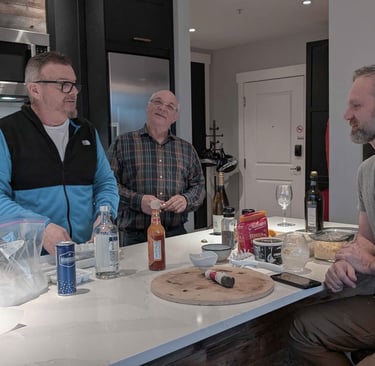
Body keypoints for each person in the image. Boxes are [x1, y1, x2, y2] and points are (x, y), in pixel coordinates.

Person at [289, 65, 375, 365]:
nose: (346, 115)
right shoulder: (367, 171)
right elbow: (365, 238)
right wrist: (345, 259)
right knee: (304, 326)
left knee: (304, 331)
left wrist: (370, 264)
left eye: (356, 105)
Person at [0, 51, 119, 255]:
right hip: (31, 261)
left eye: (74, 84)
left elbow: (105, 183)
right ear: (35, 90)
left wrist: (104, 217)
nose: (73, 92)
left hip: (85, 252)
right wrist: (41, 228)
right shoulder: (7, 132)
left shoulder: (86, 131)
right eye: (64, 85)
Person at [107, 90, 205, 245]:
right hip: (136, 237)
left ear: (175, 117)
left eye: (170, 106)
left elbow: (198, 186)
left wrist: (186, 200)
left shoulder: (186, 149)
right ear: (148, 107)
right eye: (158, 102)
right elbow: (108, 186)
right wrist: (138, 201)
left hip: (176, 234)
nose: (162, 108)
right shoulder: (123, 143)